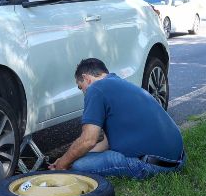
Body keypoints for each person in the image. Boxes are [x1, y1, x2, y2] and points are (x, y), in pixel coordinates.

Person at [48, 58, 186, 179]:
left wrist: (62, 164)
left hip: (151, 164)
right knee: (76, 159)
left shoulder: (95, 89)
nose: (83, 92)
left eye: (80, 87)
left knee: (79, 165)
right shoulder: (120, 84)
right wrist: (68, 157)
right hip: (177, 159)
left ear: (86, 78)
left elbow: (88, 141)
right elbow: (106, 144)